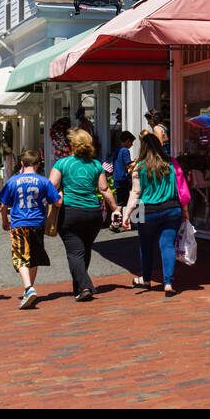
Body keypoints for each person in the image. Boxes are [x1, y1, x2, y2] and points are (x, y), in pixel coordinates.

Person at [49, 127, 118, 301]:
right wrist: (115, 208)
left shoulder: (62, 163)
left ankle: (85, 286)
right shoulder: (96, 164)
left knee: (74, 252)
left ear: (73, 144)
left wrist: (58, 197)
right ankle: (79, 287)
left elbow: (50, 187)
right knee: (84, 250)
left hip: (70, 212)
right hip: (93, 214)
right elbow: (104, 188)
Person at [119, 130, 188, 295]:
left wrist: (127, 215)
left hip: (145, 209)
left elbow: (135, 193)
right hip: (172, 208)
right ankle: (168, 284)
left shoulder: (139, 167)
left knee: (145, 245)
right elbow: (181, 187)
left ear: (143, 148)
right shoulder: (172, 163)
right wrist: (185, 211)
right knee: (167, 245)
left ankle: (146, 279)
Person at [0, 150, 60, 310]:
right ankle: (29, 288)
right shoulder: (43, 181)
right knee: (33, 255)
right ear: (38, 164)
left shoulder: (13, 181)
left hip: (19, 222)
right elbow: (57, 202)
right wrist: (62, 193)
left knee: (20, 256)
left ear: (22, 164)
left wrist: (5, 220)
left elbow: (4, 204)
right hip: (37, 222)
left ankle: (28, 288)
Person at [112, 131, 135, 206]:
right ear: (128, 141)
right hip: (124, 179)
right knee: (124, 202)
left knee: (120, 201)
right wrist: (137, 162)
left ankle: (119, 215)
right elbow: (128, 165)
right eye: (131, 142)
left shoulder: (117, 150)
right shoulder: (125, 150)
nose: (132, 144)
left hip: (117, 179)